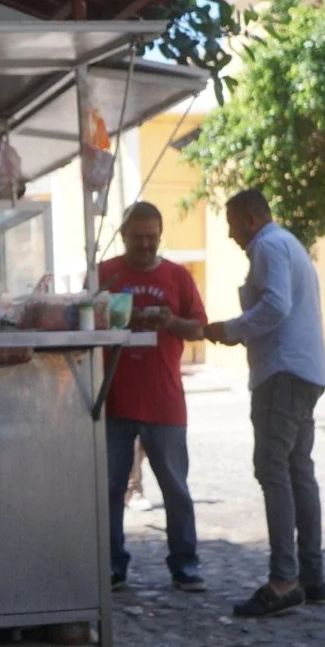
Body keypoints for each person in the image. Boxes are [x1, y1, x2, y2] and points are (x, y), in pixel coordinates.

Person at [204, 189, 325, 619]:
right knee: (298, 471)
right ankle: (311, 576)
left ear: (253, 218)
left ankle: (283, 580)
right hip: (304, 370)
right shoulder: (289, 243)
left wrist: (233, 329)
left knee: (273, 469)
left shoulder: (268, 245)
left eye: (233, 223)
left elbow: (276, 305)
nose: (230, 234)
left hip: (282, 372)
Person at [100, 201, 208, 593]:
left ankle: (185, 563)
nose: (145, 245)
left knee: (175, 487)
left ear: (160, 236)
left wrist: (170, 322)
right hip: (112, 398)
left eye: (152, 238)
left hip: (164, 399)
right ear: (123, 235)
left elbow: (199, 329)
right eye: (137, 238)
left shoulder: (177, 276)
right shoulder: (104, 274)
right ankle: (112, 564)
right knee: (110, 487)